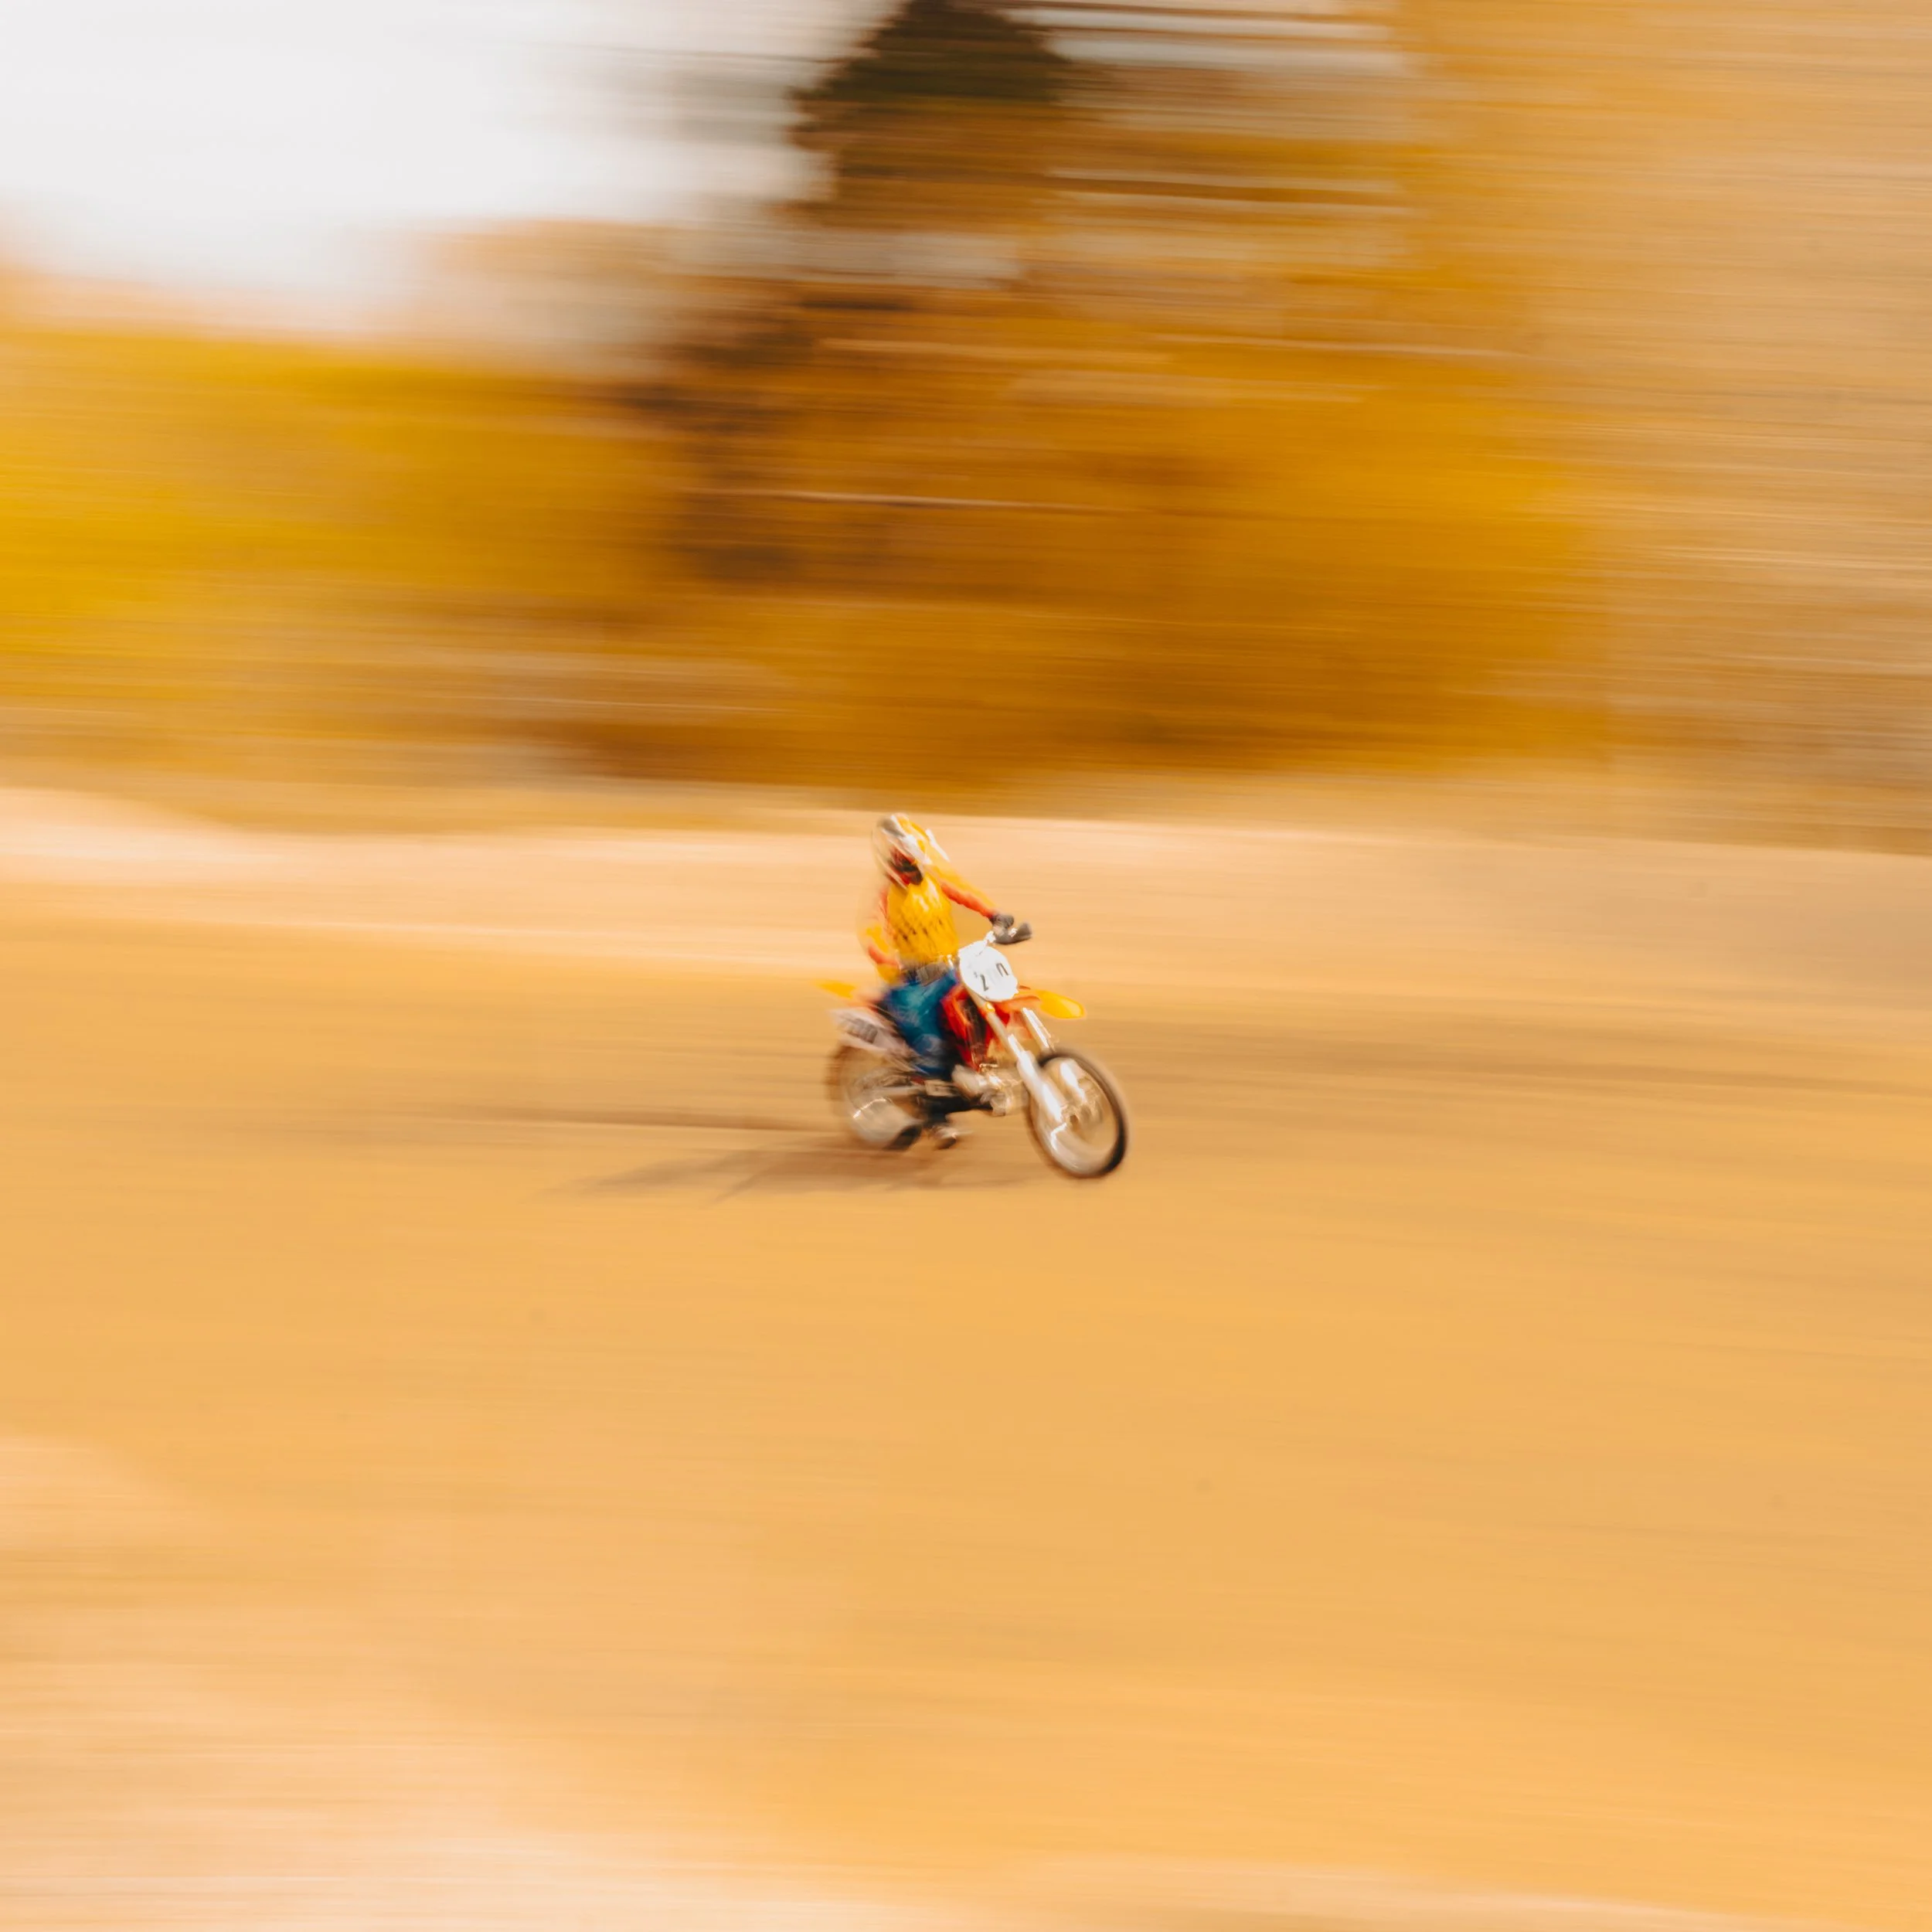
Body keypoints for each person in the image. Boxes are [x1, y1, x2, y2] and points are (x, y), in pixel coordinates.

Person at [862, 814, 1028, 1141]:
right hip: (912, 982)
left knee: (983, 1010)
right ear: (892, 859)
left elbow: (966, 894)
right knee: (932, 1044)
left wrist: (994, 914)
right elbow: (872, 934)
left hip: (950, 969)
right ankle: (935, 1116)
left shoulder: (934, 882)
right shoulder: (886, 898)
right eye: (904, 859)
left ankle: (980, 1073)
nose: (911, 866)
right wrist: (889, 958)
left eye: (913, 859)